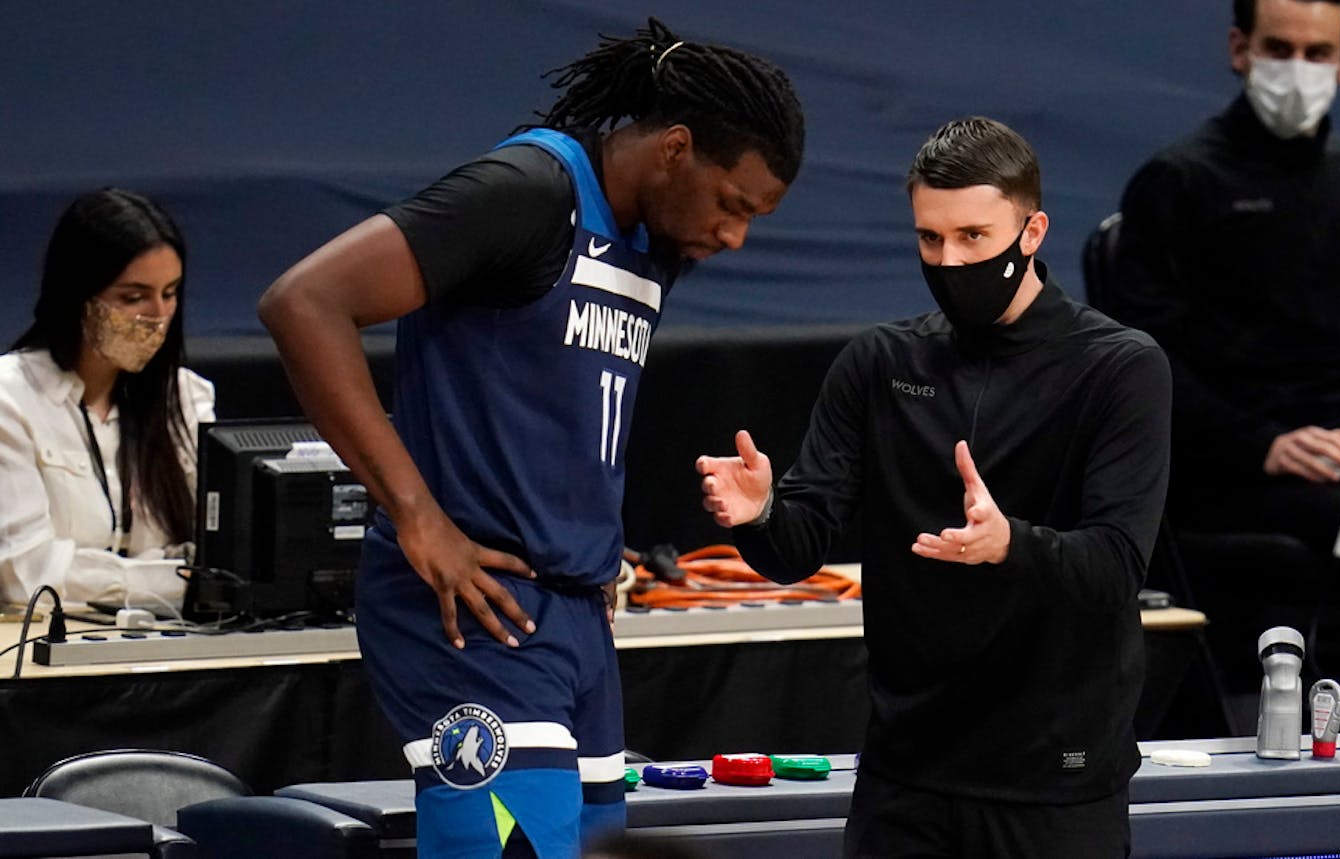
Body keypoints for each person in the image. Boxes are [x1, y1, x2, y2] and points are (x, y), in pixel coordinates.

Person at [257, 18, 803, 859]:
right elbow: (303, 302)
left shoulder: (655, 240)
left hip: (575, 616)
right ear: (675, 149)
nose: (736, 237)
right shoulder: (526, 191)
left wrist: (588, 547)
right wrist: (417, 517)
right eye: (733, 204)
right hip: (479, 611)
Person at [696, 117, 1170, 857]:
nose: (949, 261)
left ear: (1032, 230)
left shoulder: (1119, 369)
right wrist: (760, 515)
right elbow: (802, 543)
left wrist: (1011, 544)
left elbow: (1115, 567)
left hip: (1054, 782)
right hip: (906, 781)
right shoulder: (878, 363)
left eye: (973, 237)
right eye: (929, 239)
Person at [1112, 0, 1340, 727]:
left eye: (1317, 54)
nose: (1297, 70)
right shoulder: (1178, 182)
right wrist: (1265, 444)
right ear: (1238, 48)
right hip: (1238, 469)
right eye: (1278, 48)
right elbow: (1142, 369)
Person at [0, 188, 214, 611]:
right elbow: (28, 578)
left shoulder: (187, 397)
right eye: (132, 298)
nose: (157, 316)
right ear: (77, 298)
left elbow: (223, 556)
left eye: (170, 293)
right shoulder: (11, 398)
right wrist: (175, 579)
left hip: (169, 655)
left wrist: (84, 574)